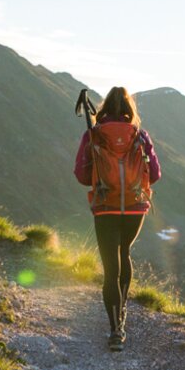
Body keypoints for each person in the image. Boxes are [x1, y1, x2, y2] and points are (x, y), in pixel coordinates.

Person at [73, 87, 161, 351]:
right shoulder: (140, 135)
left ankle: (115, 330)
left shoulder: (93, 135)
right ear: (129, 109)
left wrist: (100, 173)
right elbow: (155, 174)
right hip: (135, 207)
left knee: (110, 266)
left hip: (105, 206)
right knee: (125, 253)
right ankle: (122, 312)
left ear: (103, 108)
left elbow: (80, 175)